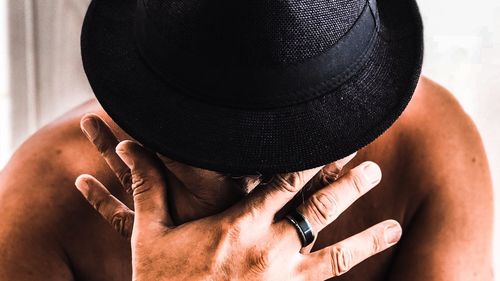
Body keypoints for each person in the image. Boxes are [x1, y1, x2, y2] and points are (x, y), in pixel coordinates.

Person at [0, 0, 493, 280]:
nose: (261, 169)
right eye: (216, 144)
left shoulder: (431, 148)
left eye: (306, 133)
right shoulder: (38, 200)